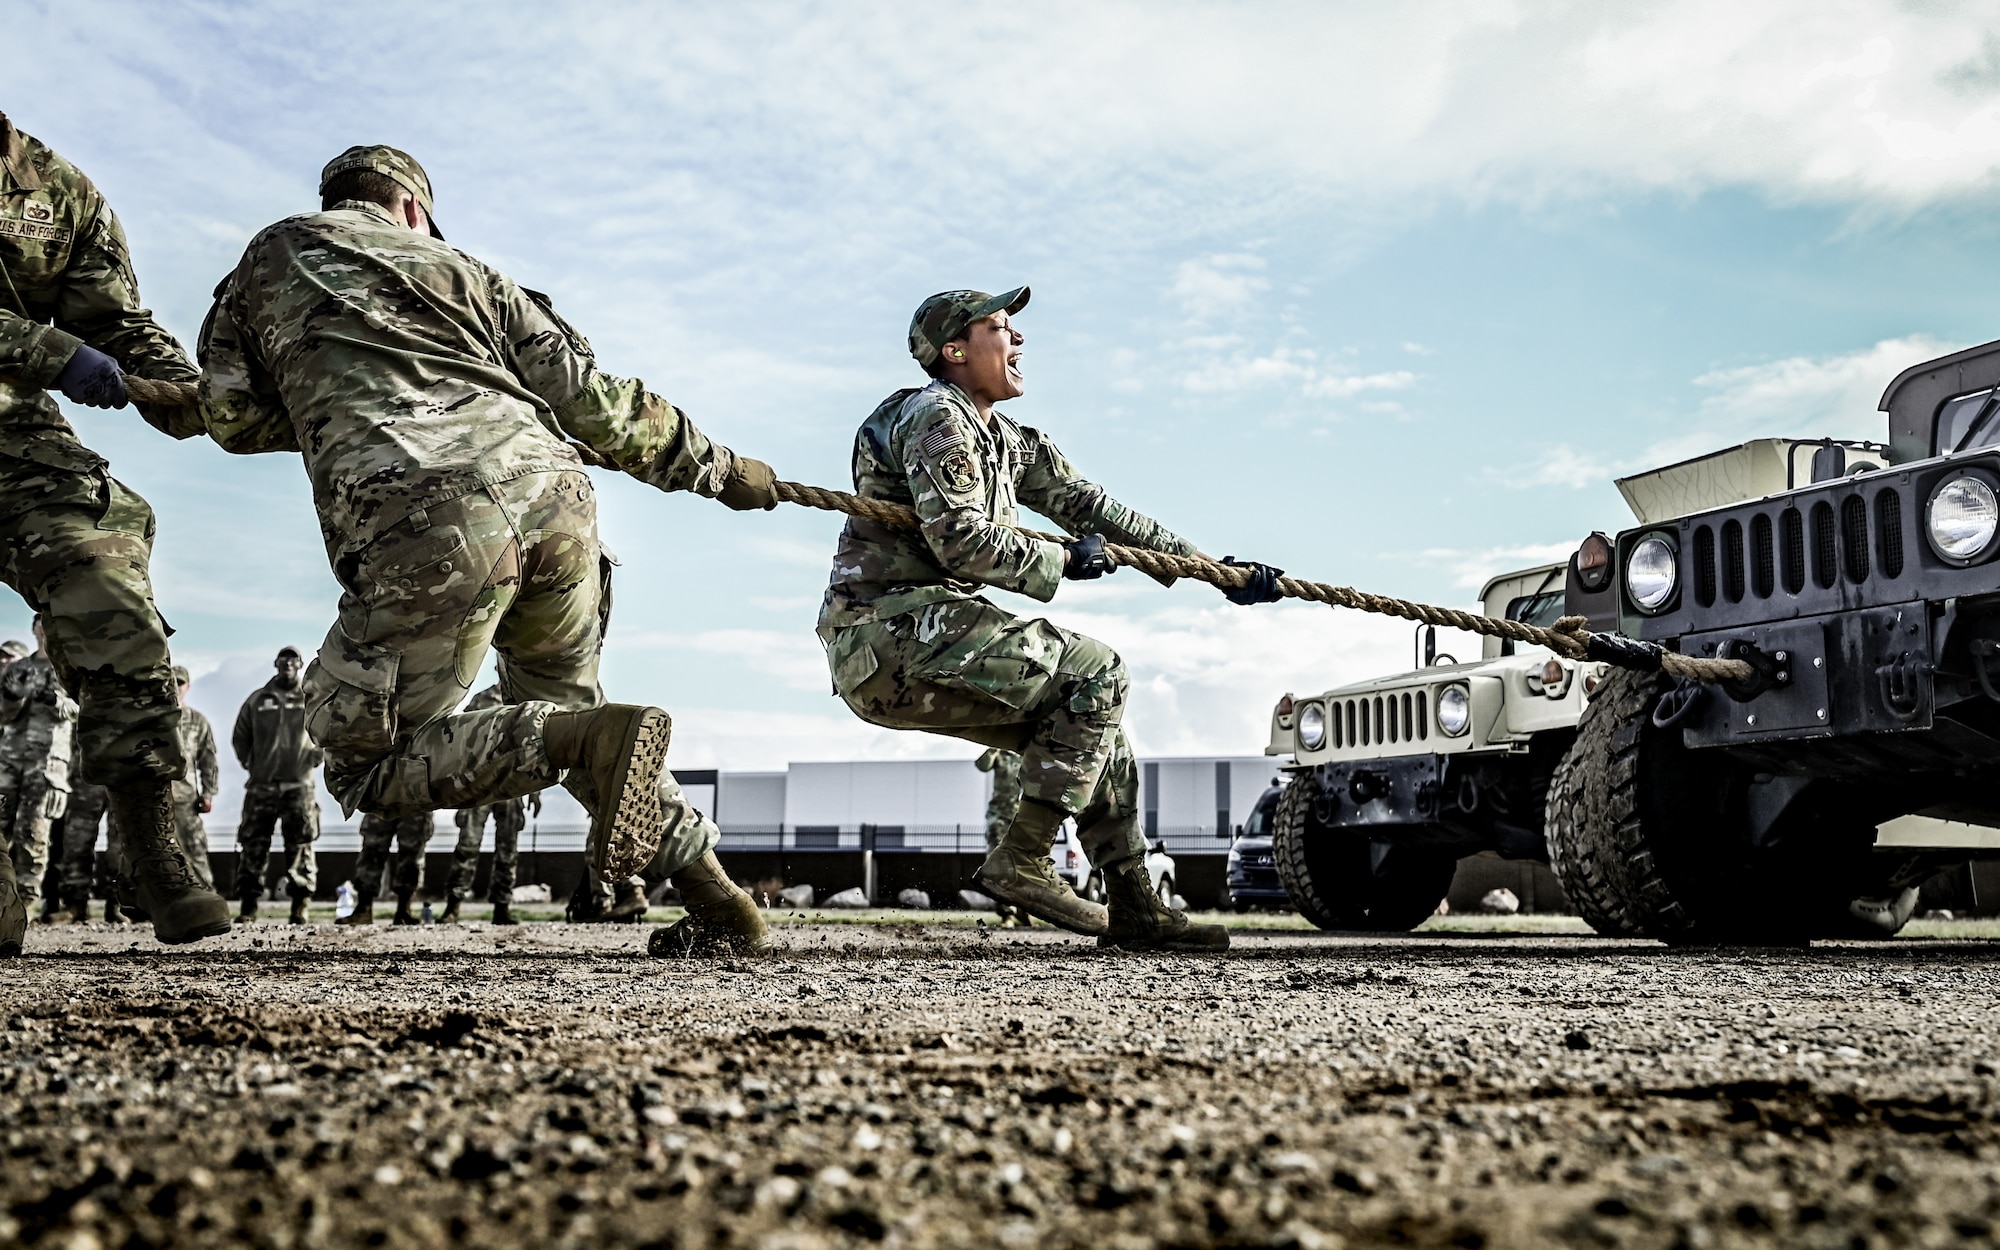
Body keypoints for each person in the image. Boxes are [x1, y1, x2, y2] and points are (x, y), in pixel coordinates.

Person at [195, 145, 775, 954]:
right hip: (558, 499)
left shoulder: (274, 253)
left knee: (366, 763)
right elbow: (591, 397)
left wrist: (337, 396)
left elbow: (227, 415)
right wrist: (718, 468)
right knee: (567, 707)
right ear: (413, 210)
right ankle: (721, 902)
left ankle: (589, 742)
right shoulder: (472, 272)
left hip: (427, 519)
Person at [817, 288, 1283, 952]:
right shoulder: (937, 417)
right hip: (888, 633)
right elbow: (964, 542)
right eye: (1001, 328)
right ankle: (1024, 860)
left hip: (921, 637)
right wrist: (1062, 559)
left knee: (1100, 735)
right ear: (955, 351)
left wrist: (1211, 569)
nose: (1019, 341)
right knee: (1100, 670)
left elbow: (1094, 508)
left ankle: (1134, 907)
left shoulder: (1003, 439)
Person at [0, 110, 231, 951]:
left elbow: (113, 319)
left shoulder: (57, 191)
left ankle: (149, 837)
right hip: (29, 384)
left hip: (12, 434)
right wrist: (53, 352)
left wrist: (195, 393)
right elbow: (66, 345)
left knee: (106, 568)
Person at [231, 645, 321, 924]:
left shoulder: (312, 700)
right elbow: (240, 738)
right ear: (276, 664)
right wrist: (255, 765)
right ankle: (248, 907)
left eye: (294, 660)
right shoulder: (258, 700)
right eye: (283, 660)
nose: (288, 664)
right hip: (262, 787)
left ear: (301, 665)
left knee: (301, 845)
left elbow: (326, 733)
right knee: (253, 845)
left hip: (299, 787)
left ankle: (300, 906)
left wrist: (313, 759)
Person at [0, 619, 75, 922]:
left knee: (34, 832)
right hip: (9, 760)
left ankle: (25, 904)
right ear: (33, 630)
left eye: (49, 622)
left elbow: (83, 709)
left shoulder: (70, 669)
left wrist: (58, 701)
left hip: (46, 764)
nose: (44, 628)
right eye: (39, 624)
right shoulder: (17, 670)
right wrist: (13, 699)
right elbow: (2, 713)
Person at [442, 683, 533, 924]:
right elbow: (460, 742)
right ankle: (454, 905)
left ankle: (502, 907)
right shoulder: (482, 700)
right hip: (479, 782)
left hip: (513, 785)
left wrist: (536, 790)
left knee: (508, 848)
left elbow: (536, 745)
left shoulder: (526, 700)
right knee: (468, 844)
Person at [56, 735, 118, 923]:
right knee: (76, 842)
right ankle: (75, 905)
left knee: (121, 846)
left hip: (123, 774)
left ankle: (119, 905)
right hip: (85, 774)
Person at [340, 811, 433, 926]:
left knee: (412, 853)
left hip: (416, 800)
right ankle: (363, 909)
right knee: (372, 848)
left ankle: (404, 910)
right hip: (383, 798)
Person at [974, 747, 1031, 926]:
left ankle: (1023, 909)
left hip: (1020, 816)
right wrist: (994, 748)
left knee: (1022, 864)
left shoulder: (1028, 755)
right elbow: (982, 765)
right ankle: (1007, 914)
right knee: (999, 864)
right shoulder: (1000, 754)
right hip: (999, 816)